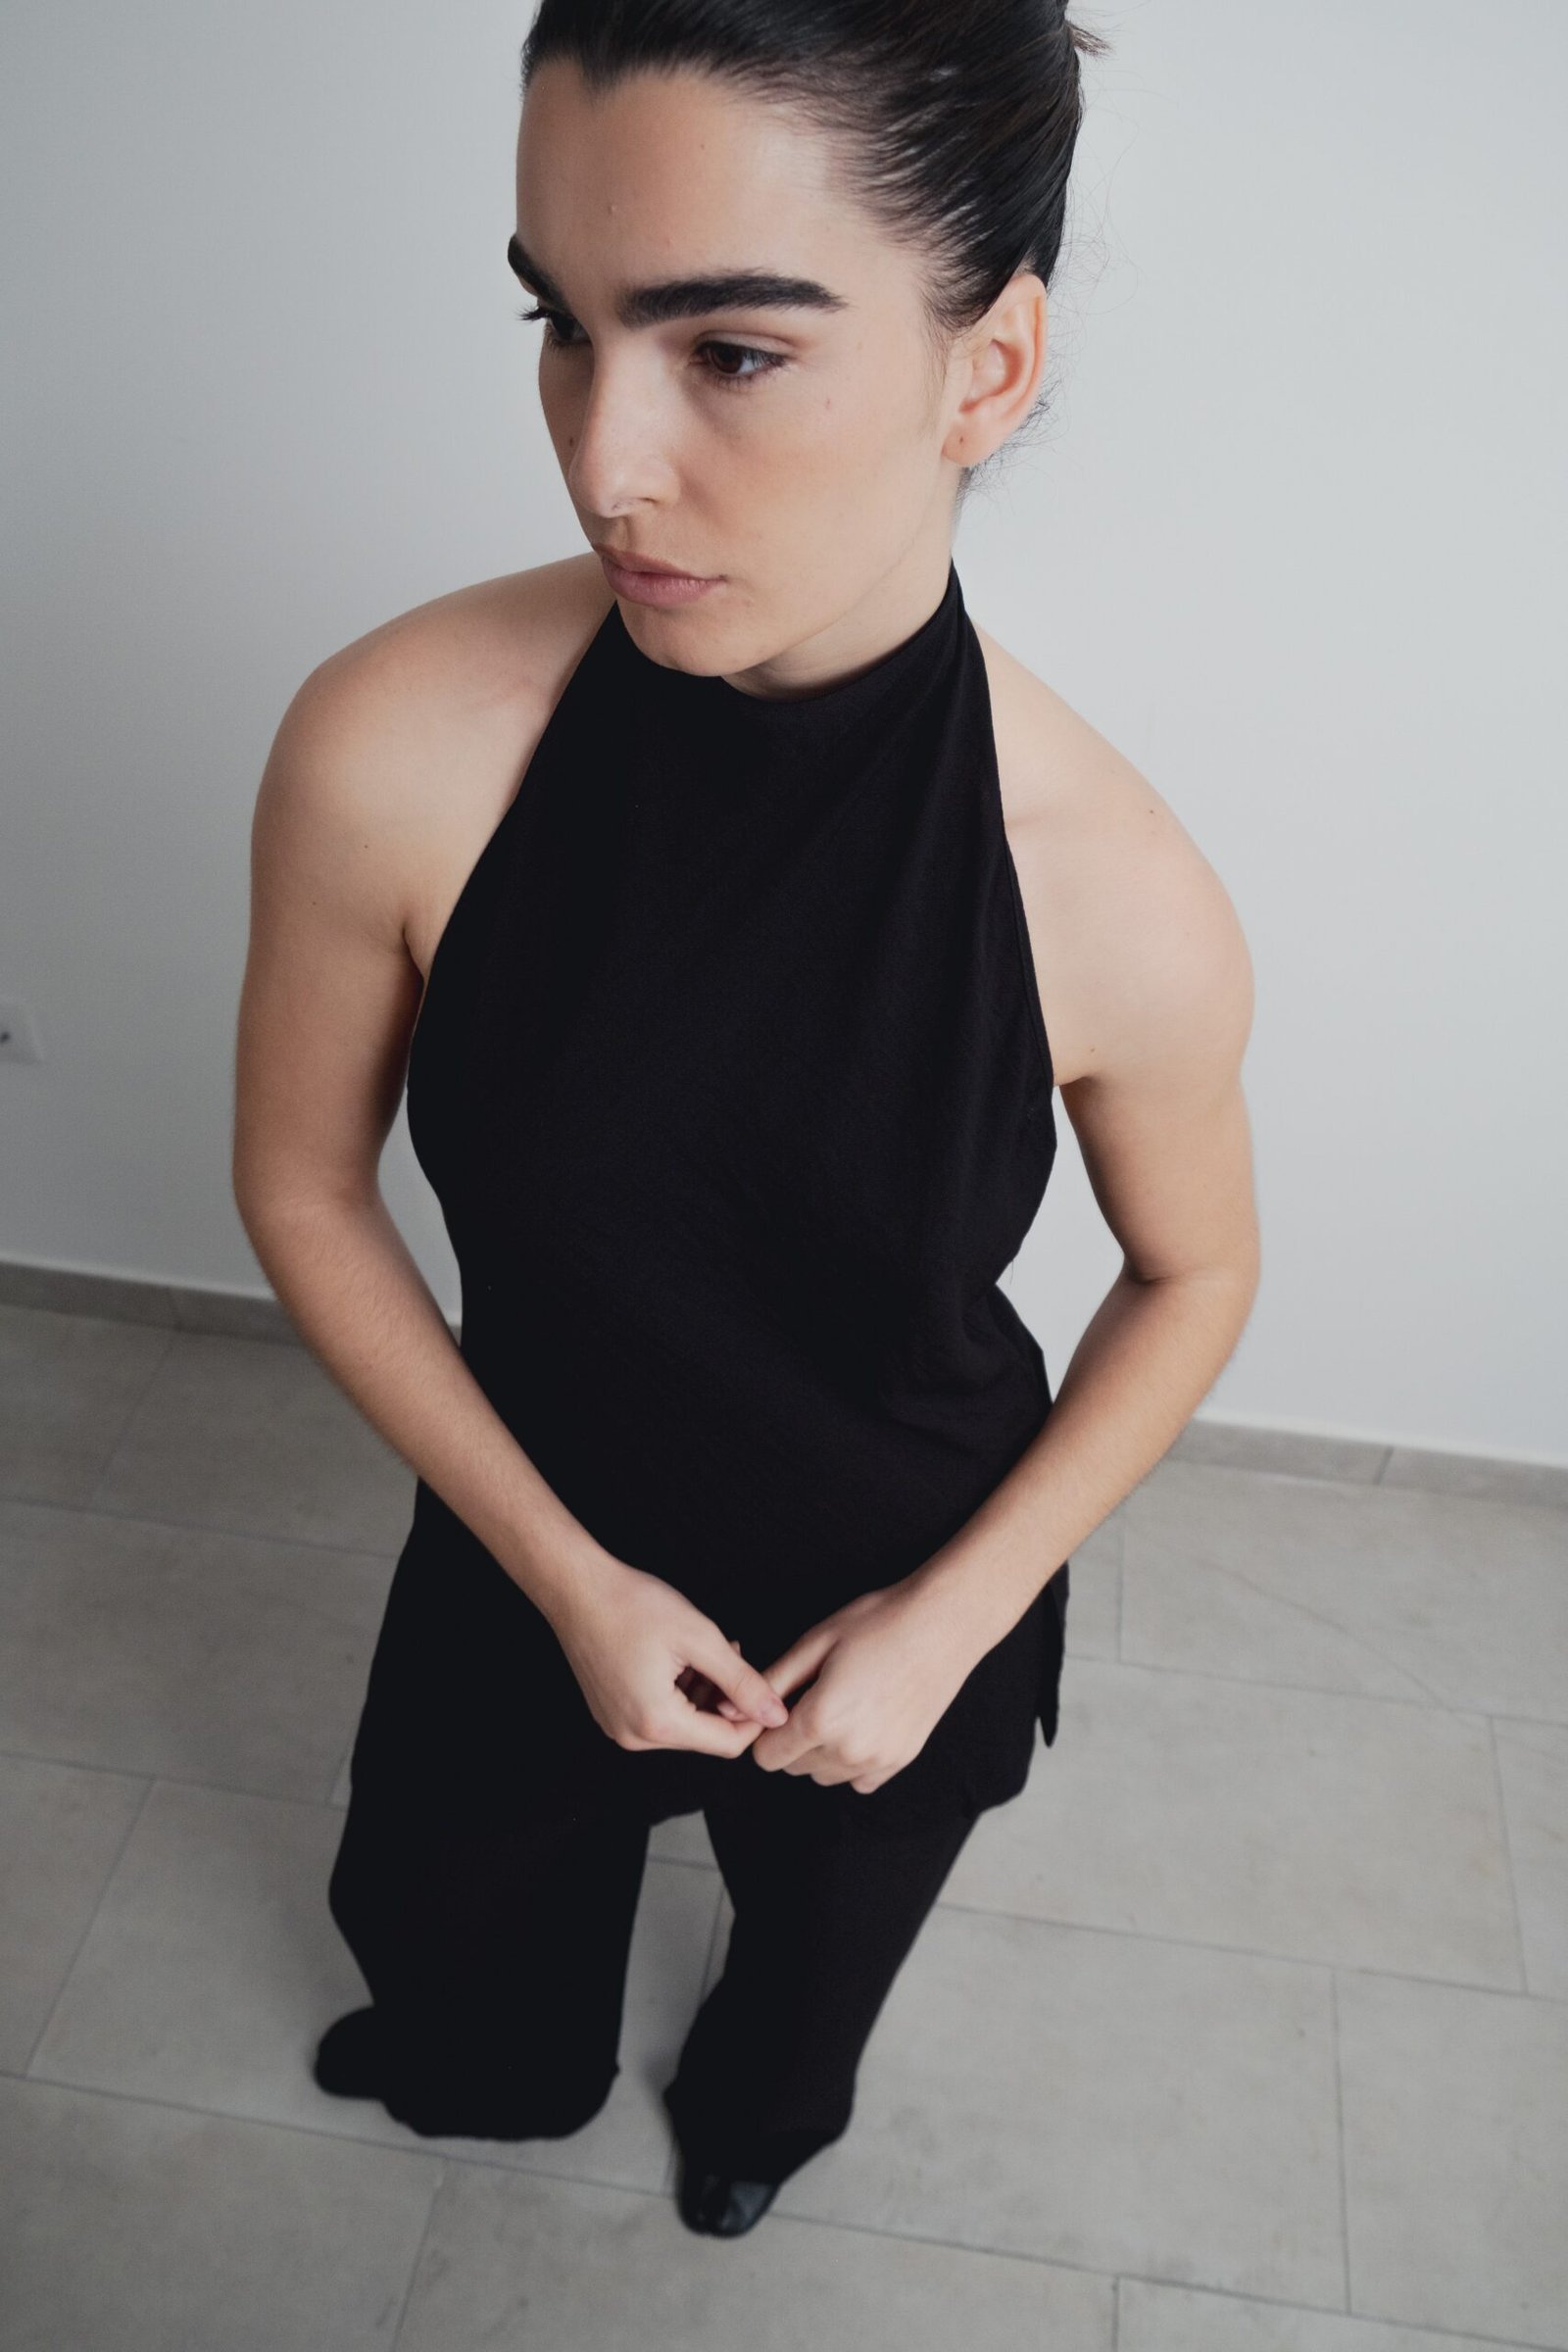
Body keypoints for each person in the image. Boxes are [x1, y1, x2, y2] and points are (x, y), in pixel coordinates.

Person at [232, 0, 1260, 2240]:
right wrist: (565, 1581)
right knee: (462, 1988)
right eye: (560, 324)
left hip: (900, 1587)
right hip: (523, 1544)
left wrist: (948, 1620)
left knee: (792, 2036)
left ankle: (754, 2125)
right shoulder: (393, 745)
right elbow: (301, 1183)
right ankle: (493, 2072)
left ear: (985, 368)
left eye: (728, 351)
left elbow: (1194, 1273)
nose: (601, 462)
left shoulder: (1113, 892)